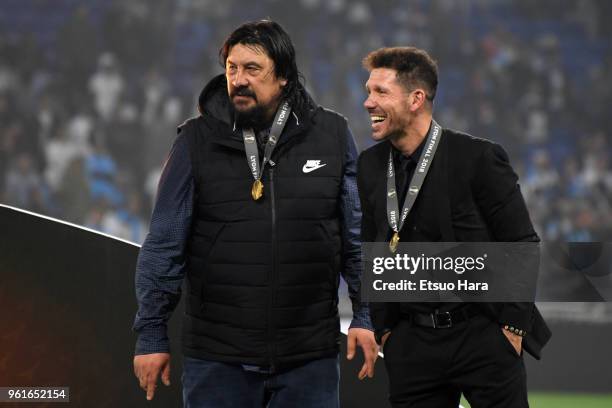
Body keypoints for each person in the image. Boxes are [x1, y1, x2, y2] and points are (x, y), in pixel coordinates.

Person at [132, 20, 377, 407]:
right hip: (217, 360)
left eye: (252, 69)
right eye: (232, 68)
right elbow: (164, 243)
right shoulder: (194, 141)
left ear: (282, 77)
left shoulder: (332, 135)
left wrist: (365, 314)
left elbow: (357, 235)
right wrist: (150, 334)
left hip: (308, 359)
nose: (238, 80)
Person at [357, 46, 551, 408]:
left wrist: (513, 326)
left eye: (380, 92)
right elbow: (374, 246)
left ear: (416, 99)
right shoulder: (370, 166)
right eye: (369, 91)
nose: (368, 103)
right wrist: (386, 328)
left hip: (481, 333)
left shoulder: (477, 158)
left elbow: (521, 242)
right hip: (412, 342)